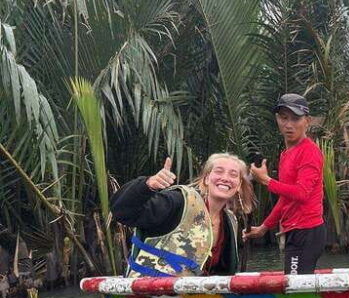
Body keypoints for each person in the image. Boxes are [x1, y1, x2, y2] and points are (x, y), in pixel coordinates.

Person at [111, 153, 255, 277]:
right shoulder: (179, 202)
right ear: (206, 179)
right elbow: (122, 211)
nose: (225, 178)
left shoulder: (230, 221)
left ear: (238, 186)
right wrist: (148, 185)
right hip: (150, 294)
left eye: (233, 175)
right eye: (219, 171)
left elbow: (222, 273)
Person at [245, 94, 325, 275]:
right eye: (284, 118)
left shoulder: (309, 152)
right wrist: (264, 227)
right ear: (277, 119)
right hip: (294, 231)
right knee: (295, 286)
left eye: (296, 118)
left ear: (307, 121)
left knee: (296, 290)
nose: (289, 125)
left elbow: (302, 193)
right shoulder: (287, 154)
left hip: (307, 231)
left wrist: (266, 180)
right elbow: (286, 198)